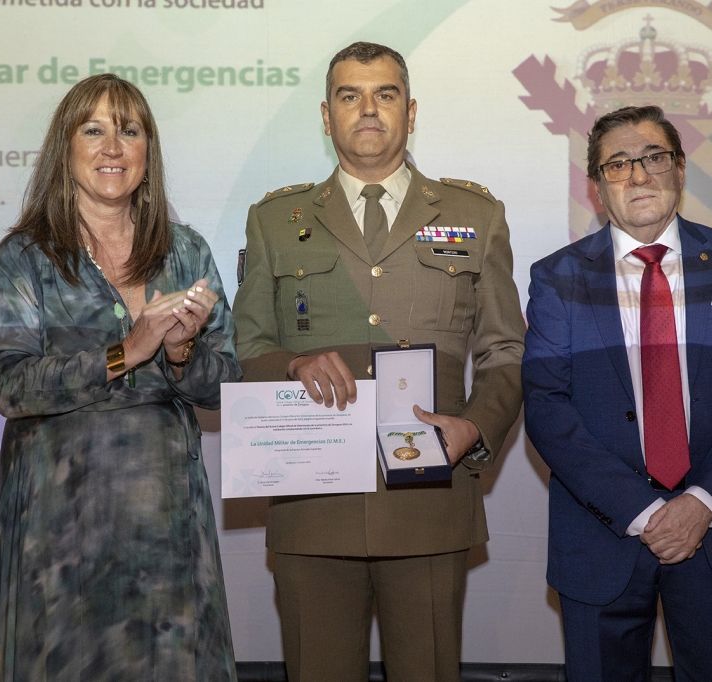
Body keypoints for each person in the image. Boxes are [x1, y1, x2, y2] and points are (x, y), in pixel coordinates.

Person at [232, 42, 525, 682]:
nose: (368, 109)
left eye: (385, 94)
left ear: (411, 112)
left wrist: (474, 427)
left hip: (428, 501)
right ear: (326, 115)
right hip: (313, 505)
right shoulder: (275, 220)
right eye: (349, 95)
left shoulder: (475, 215)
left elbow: (505, 351)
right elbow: (245, 349)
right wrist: (289, 366)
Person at [0, 73, 240, 681]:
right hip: (60, 532)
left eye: (130, 130)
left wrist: (179, 355)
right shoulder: (26, 256)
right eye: (92, 130)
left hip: (167, 526)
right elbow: (7, 381)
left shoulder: (187, 252)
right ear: (64, 151)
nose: (113, 147)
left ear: (149, 152)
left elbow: (227, 383)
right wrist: (126, 352)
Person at [523, 105, 712, 680]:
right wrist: (644, 512)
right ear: (595, 187)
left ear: (681, 170)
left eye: (652, 158)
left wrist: (700, 505)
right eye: (617, 165)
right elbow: (546, 408)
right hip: (601, 540)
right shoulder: (556, 278)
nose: (638, 176)